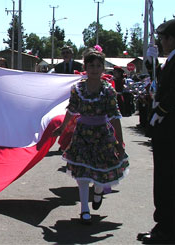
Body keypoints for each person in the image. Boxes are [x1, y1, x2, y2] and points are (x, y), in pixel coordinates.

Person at [52, 48, 128, 225]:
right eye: (91, 65)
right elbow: (71, 111)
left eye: (98, 66)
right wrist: (62, 128)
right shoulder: (77, 88)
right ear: (85, 67)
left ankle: (99, 191)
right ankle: (84, 209)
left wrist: (119, 141)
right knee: (83, 173)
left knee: (100, 170)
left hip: (102, 134)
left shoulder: (108, 90)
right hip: (82, 134)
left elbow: (115, 116)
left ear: (103, 68)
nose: (94, 69)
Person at [137, 18, 175, 244]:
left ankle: (168, 233)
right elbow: (161, 81)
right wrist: (151, 64)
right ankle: (162, 227)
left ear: (172, 38)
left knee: (168, 183)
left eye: (162, 38)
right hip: (166, 126)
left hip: (171, 125)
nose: (161, 42)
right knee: (163, 180)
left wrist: (161, 110)